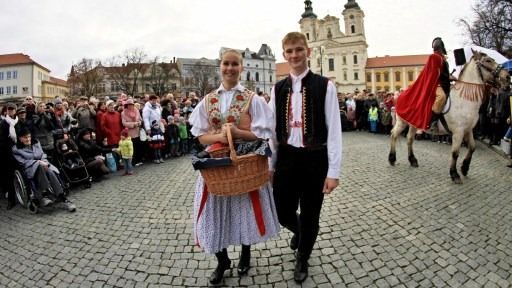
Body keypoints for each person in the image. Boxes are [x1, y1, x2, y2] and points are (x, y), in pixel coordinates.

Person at [189, 49, 280, 285]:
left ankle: (246, 252)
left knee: (245, 210)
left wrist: (239, 133)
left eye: (235, 64)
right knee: (213, 210)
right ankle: (222, 260)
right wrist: (220, 136)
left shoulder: (253, 99)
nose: (230, 68)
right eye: (226, 64)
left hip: (245, 163)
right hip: (217, 164)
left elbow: (264, 134)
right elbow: (199, 136)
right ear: (220, 66)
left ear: (242, 68)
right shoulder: (208, 100)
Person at [269, 32, 342, 283]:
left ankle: (303, 256)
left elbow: (334, 131)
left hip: (315, 158)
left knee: (311, 213)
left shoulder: (325, 85)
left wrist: (333, 172)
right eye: (289, 51)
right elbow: (271, 132)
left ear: (308, 51)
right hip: (287, 158)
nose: (294, 55)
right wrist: (270, 165)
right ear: (284, 55)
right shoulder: (277, 88)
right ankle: (301, 233)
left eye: (299, 49)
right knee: (281, 210)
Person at [395, 37, 456, 132]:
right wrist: (448, 77)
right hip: (436, 84)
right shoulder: (434, 57)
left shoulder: (443, 60)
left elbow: (443, 73)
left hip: (445, 84)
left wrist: (450, 77)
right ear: (440, 48)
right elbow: (434, 74)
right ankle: (432, 122)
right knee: (442, 97)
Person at [12, 127, 76, 212]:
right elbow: (23, 162)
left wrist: (44, 162)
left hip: (44, 164)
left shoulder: (36, 142)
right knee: (40, 166)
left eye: (29, 136)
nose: (28, 139)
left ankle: (62, 197)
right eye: (25, 137)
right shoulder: (16, 149)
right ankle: (45, 194)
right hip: (30, 168)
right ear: (20, 139)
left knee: (50, 171)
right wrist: (38, 162)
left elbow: (42, 154)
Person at [0, 103, 20, 209]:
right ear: (6, 111)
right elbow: (1, 139)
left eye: (12, 109)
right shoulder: (4, 123)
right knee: (9, 176)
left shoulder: (18, 122)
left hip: (20, 151)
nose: (10, 111)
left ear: (15, 111)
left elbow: (23, 134)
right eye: (9, 109)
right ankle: (11, 200)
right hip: (8, 152)